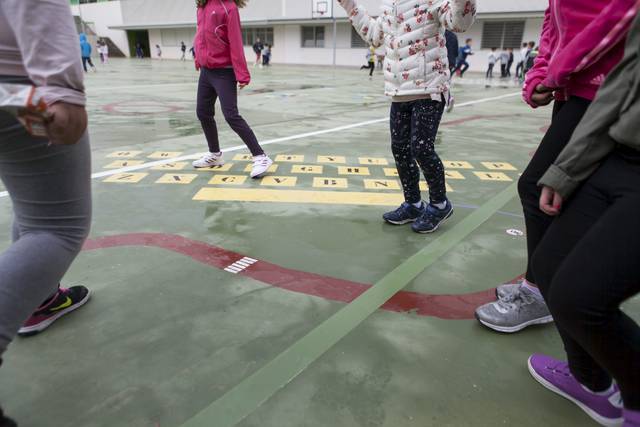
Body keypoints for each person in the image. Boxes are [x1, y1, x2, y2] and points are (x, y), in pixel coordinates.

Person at [475, 0, 639, 333]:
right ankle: (541, 287)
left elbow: (619, 14)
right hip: (570, 85)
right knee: (553, 191)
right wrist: (542, 72)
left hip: (601, 86)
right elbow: (553, 19)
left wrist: (558, 69)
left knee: (538, 187)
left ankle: (538, 293)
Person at [528, 12, 640, 425]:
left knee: (582, 298)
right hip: (624, 153)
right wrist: (568, 169)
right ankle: (591, 381)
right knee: (548, 265)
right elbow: (625, 81)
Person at [0, 0, 94, 424]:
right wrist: (63, 92)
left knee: (32, 202)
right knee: (57, 226)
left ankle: (43, 300)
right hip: (11, 88)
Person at [338, 0, 476, 233]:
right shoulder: (389, 5)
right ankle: (413, 203)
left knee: (421, 148)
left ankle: (440, 204)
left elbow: (458, 22)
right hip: (399, 90)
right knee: (400, 149)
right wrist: (349, 5)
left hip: (430, 87)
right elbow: (374, 36)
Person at [192, 0, 273, 178]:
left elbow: (235, 42)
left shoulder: (228, 8)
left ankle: (260, 156)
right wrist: (198, 57)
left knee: (231, 115)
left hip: (224, 72)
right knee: (203, 113)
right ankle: (215, 155)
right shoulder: (202, 6)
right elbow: (200, 35)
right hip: (206, 71)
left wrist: (242, 74)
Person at [444, 29, 459, 113]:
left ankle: (448, 98)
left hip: (441, 61)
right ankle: (448, 98)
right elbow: (456, 52)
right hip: (451, 62)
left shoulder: (439, 33)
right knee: (446, 80)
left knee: (441, 82)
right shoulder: (454, 36)